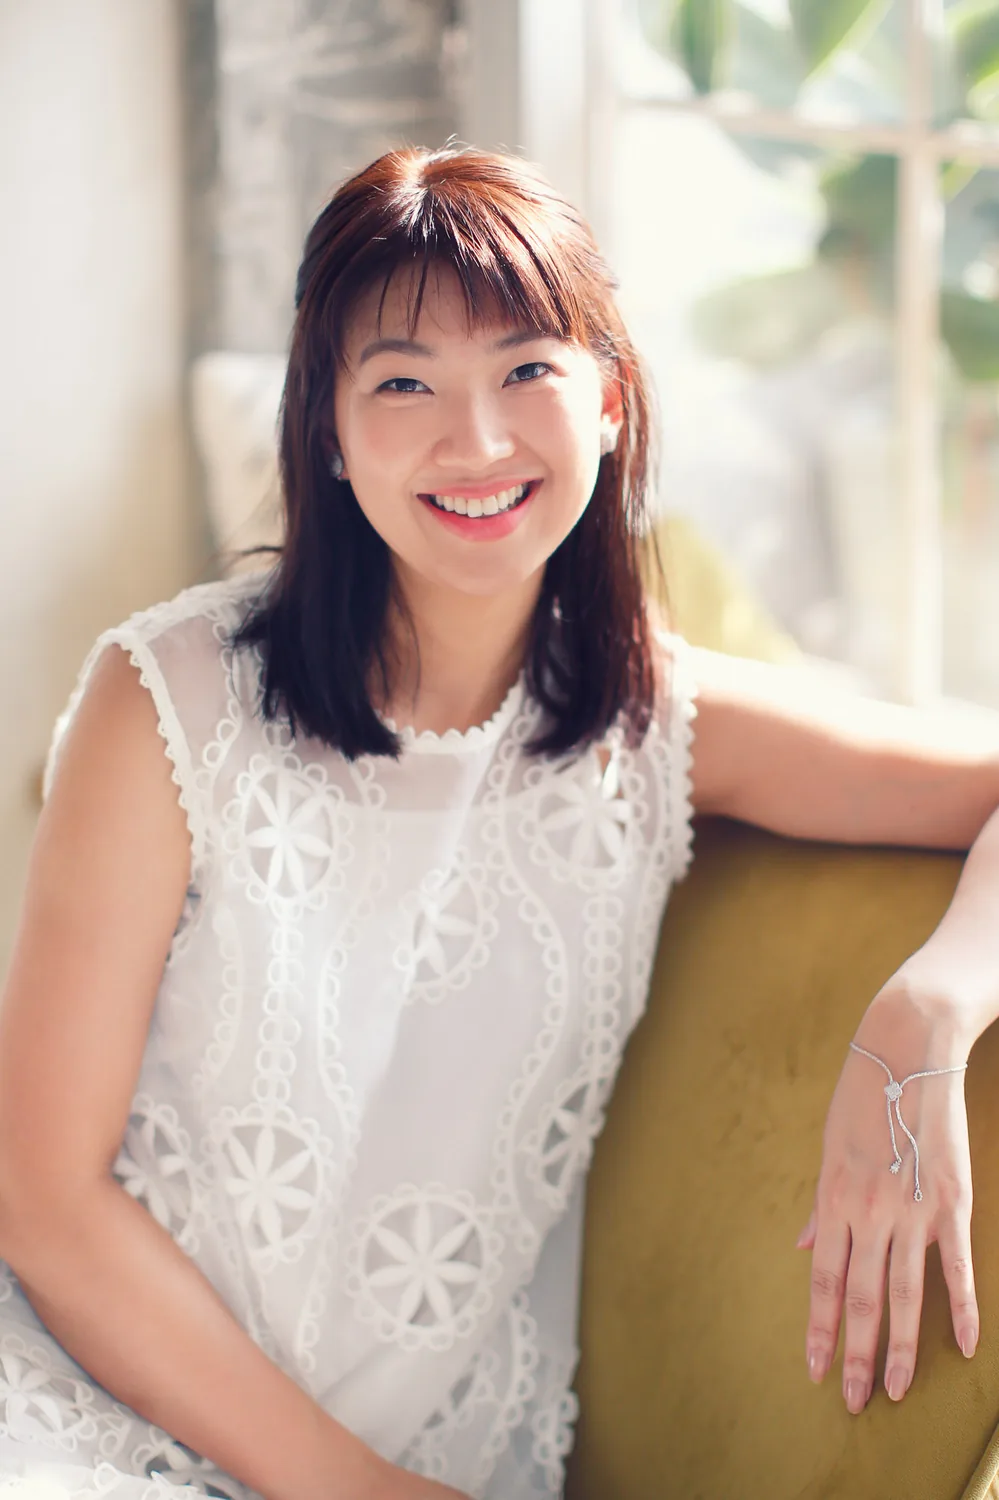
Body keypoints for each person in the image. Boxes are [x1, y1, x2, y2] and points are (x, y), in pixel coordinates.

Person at [0, 144, 997, 1500]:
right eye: (402, 382)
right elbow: (45, 1202)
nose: (474, 444)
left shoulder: (660, 722)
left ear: (607, 401)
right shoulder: (166, 699)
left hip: (447, 1453)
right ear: (330, 436)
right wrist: (355, 1491)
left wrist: (925, 1013)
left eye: (526, 369)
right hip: (77, 1411)